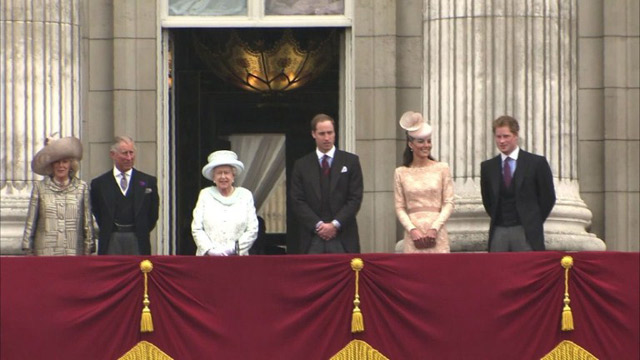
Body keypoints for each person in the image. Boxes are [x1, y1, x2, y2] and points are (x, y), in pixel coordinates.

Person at [290, 113, 364, 254]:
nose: (326, 138)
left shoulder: (350, 161)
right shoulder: (302, 165)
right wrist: (319, 226)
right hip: (311, 238)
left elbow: (355, 198)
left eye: (330, 133)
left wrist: (335, 225)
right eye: (322, 133)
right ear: (313, 134)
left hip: (343, 236)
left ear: (335, 133)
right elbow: (297, 200)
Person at [480, 115, 556, 251]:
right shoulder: (488, 167)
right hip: (499, 230)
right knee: (498, 270)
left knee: (528, 270)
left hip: (527, 231)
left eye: (506, 136)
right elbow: (488, 200)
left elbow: (547, 197)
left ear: (516, 136)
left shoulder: (536, 163)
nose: (502, 141)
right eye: (498, 137)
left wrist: (533, 220)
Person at [22, 136, 95, 255]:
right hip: (45, 252)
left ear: (71, 165)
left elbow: (87, 222)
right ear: (51, 165)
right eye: (57, 162)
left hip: (73, 252)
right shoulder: (39, 187)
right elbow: (31, 220)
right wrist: (27, 247)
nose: (61, 166)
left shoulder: (82, 187)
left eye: (65, 162)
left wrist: (89, 247)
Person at [394, 111, 454, 253]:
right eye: (421, 141)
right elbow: (399, 207)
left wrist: (435, 227)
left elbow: (449, 202)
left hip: (437, 233)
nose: (426, 145)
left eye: (428, 141)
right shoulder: (401, 172)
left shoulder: (441, 168)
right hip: (413, 234)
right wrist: (412, 229)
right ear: (411, 144)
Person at [90, 136, 159, 255]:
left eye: (131, 153)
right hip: (111, 239)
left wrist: (140, 229)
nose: (129, 157)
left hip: (137, 239)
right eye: (124, 153)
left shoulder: (148, 181)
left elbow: (153, 214)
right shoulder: (99, 184)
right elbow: (97, 212)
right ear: (113, 154)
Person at [191, 150, 258, 256]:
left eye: (226, 172)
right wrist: (210, 250)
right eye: (219, 173)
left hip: (237, 260)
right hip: (208, 260)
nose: (223, 177)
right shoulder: (205, 195)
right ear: (213, 177)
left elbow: (252, 229)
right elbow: (197, 228)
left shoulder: (245, 195)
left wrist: (234, 248)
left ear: (233, 176)